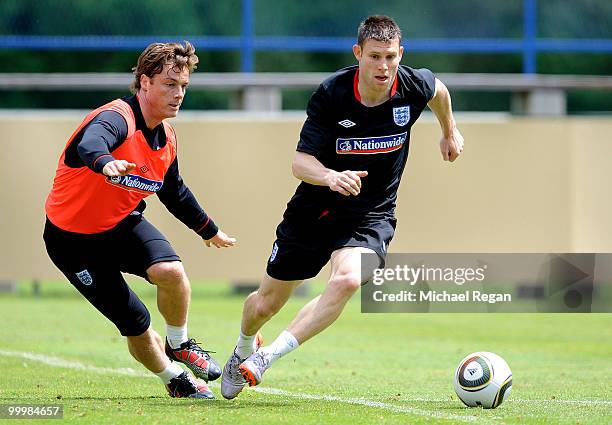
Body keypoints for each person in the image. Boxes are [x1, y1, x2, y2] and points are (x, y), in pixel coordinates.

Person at [220, 15, 464, 399]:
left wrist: (449, 131)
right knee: (265, 304)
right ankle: (244, 346)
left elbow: (440, 92)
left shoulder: (413, 84)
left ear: (401, 54)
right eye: (374, 57)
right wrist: (331, 177)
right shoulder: (332, 93)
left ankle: (267, 357)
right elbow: (299, 163)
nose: (384, 67)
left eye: (390, 57)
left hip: (372, 213)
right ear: (358, 54)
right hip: (314, 211)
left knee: (350, 279)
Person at [43, 41, 237, 399]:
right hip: (72, 242)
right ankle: (173, 379)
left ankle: (178, 344)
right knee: (136, 322)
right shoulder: (119, 118)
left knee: (172, 273)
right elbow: (91, 143)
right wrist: (105, 162)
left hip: (119, 225)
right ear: (145, 82)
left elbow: (173, 191)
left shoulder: (166, 138)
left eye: (183, 86)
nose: (178, 94)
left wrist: (209, 230)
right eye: (169, 84)